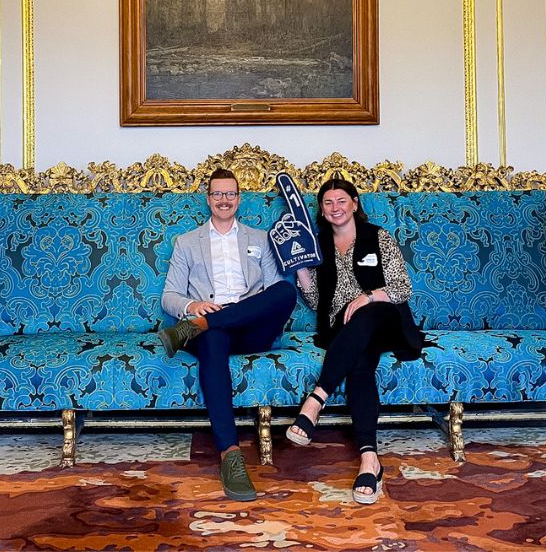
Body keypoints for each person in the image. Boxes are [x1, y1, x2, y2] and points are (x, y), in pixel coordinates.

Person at [158, 167, 297, 502]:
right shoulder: (187, 242)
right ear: (208, 199)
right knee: (214, 339)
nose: (224, 200)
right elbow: (169, 296)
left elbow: (273, 291)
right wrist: (194, 306)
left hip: (251, 328)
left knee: (285, 292)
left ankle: (196, 329)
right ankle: (230, 456)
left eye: (230, 194)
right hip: (210, 326)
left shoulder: (261, 239)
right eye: (217, 194)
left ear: (239, 198)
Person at [287, 178, 423, 505]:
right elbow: (317, 301)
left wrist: (368, 297)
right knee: (360, 368)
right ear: (322, 210)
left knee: (368, 313)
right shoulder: (319, 245)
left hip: (384, 317)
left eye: (341, 201)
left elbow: (402, 288)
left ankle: (316, 399)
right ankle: (369, 459)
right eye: (328, 203)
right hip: (344, 330)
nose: (335, 208)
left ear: (355, 203)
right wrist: (302, 270)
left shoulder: (378, 237)